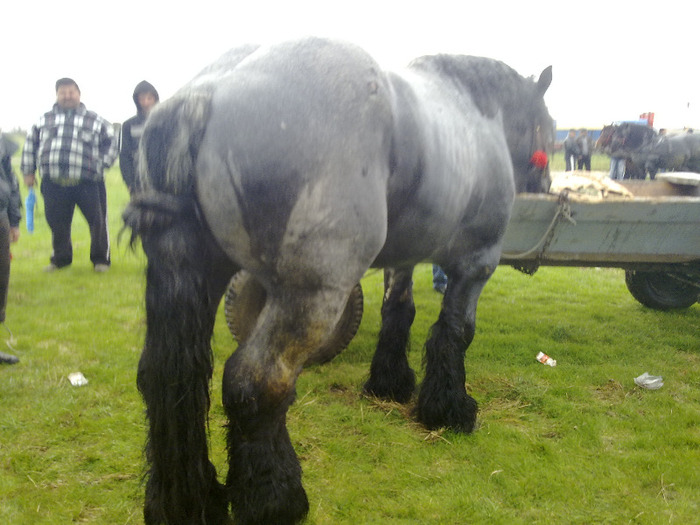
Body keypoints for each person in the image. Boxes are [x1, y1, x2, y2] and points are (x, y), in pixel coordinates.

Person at [21, 78, 117, 272]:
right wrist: (28, 171)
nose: (67, 96)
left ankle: (100, 260)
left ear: (79, 94)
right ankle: (61, 259)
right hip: (53, 182)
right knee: (57, 224)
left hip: (88, 182)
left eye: (71, 92)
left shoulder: (95, 119)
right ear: (57, 95)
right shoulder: (44, 119)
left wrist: (102, 164)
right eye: (62, 92)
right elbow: (30, 145)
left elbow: (112, 143)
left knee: (97, 222)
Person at [0, 133, 21, 364]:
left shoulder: (2, 141)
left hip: (0, 215)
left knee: (0, 278)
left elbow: (11, 181)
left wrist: (14, 220)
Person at [119, 81, 159, 193]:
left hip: (162, 182)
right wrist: (129, 183)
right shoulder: (128, 125)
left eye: (149, 98)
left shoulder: (165, 123)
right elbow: (125, 155)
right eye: (142, 99)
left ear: (155, 98)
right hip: (138, 182)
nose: (145, 103)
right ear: (136, 101)